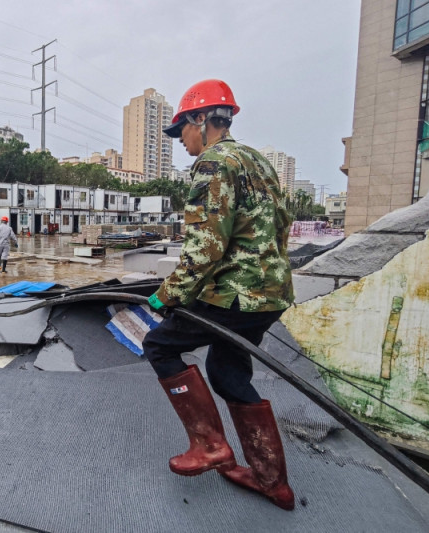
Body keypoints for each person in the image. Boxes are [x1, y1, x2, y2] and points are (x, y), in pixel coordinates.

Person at [141, 79, 295, 510]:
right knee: (228, 374)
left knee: (158, 345)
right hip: (269, 293)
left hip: (233, 294)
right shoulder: (257, 162)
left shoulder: (212, 164)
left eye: (183, 133)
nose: (182, 142)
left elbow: (205, 247)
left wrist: (167, 295)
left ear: (200, 120)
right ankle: (272, 482)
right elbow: (277, 229)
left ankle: (208, 444)